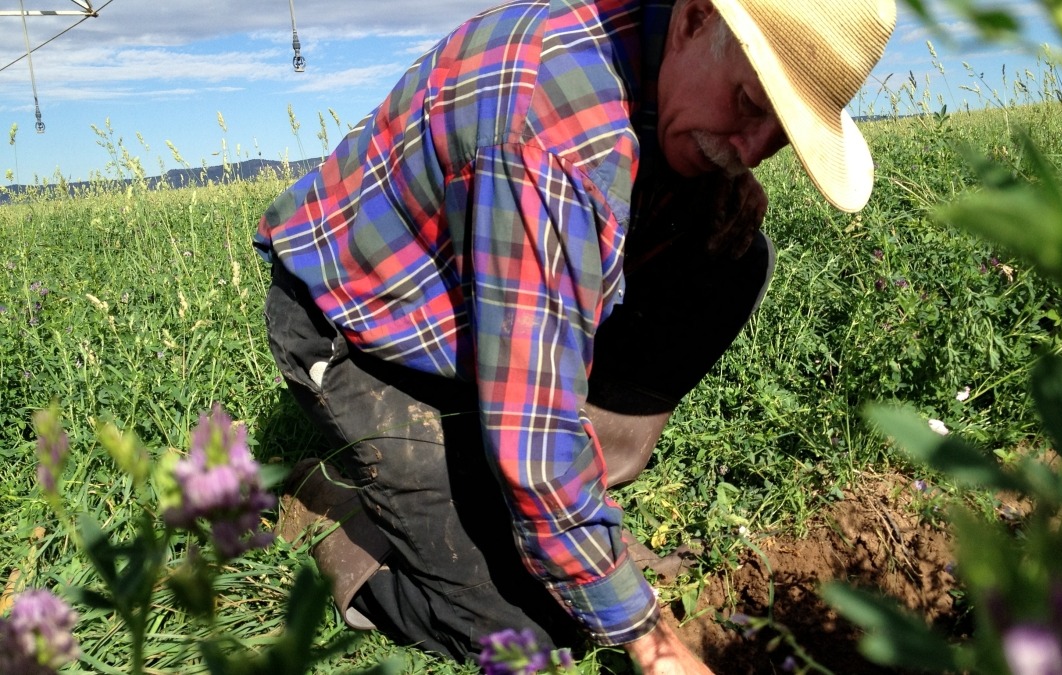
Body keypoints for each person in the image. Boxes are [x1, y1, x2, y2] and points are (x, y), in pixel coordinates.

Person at [257, 0, 894, 671]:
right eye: (747, 103)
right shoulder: (553, 131)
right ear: (696, 18)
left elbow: (655, 172)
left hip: (479, 311)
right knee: (533, 639)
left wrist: (716, 185)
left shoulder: (650, 60)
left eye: (780, 135)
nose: (750, 148)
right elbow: (533, 453)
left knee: (732, 253)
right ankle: (336, 519)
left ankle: (570, 500)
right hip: (360, 333)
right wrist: (653, 642)